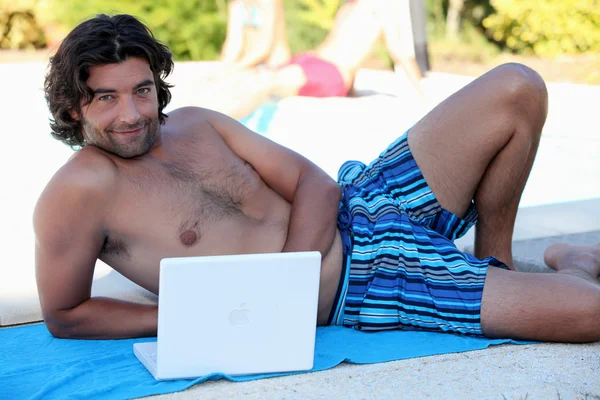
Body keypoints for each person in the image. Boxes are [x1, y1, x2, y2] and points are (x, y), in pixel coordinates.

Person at [35, 13, 600, 342]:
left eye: (142, 90)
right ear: (74, 108)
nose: (132, 113)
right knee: (589, 315)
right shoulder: (77, 194)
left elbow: (318, 185)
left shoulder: (195, 123)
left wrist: (287, 280)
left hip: (366, 200)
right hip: (368, 279)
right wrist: (192, 318)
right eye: (105, 98)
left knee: (518, 86)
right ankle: (566, 269)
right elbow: (65, 313)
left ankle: (494, 260)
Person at [196, 0, 426, 119]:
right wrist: (352, 91)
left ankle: (209, 126)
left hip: (331, 73)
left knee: (265, 83)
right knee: (252, 77)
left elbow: (399, 52)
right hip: (312, 62)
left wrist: (424, 94)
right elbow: (351, 48)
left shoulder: (380, 5)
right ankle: (206, 117)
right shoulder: (348, 6)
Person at [219, 0, 291, 70]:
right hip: (250, 65)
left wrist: (237, 67)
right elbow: (234, 42)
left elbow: (265, 47)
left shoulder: (269, 2)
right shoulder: (236, 3)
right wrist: (224, 66)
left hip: (275, 66)